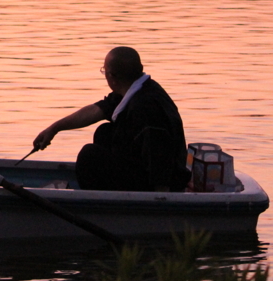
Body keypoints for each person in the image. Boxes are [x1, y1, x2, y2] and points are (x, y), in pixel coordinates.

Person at [33, 46, 191, 192]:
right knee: (105, 132)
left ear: (112, 77)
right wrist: (54, 128)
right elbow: (95, 111)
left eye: (104, 71)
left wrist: (160, 199)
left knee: (89, 156)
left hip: (159, 185)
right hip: (140, 168)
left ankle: (101, 206)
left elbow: (159, 155)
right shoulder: (131, 91)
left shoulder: (146, 106)